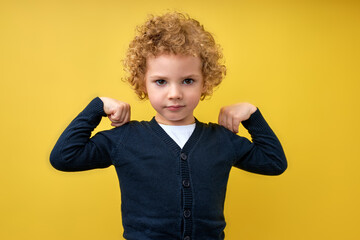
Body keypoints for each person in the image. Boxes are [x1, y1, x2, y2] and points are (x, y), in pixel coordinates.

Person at [50, 11, 287, 240]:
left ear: (205, 82)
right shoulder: (125, 139)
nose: (175, 94)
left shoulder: (222, 140)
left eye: (188, 81)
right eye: (161, 82)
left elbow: (274, 162)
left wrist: (252, 115)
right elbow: (64, 157)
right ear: (143, 83)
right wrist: (97, 107)